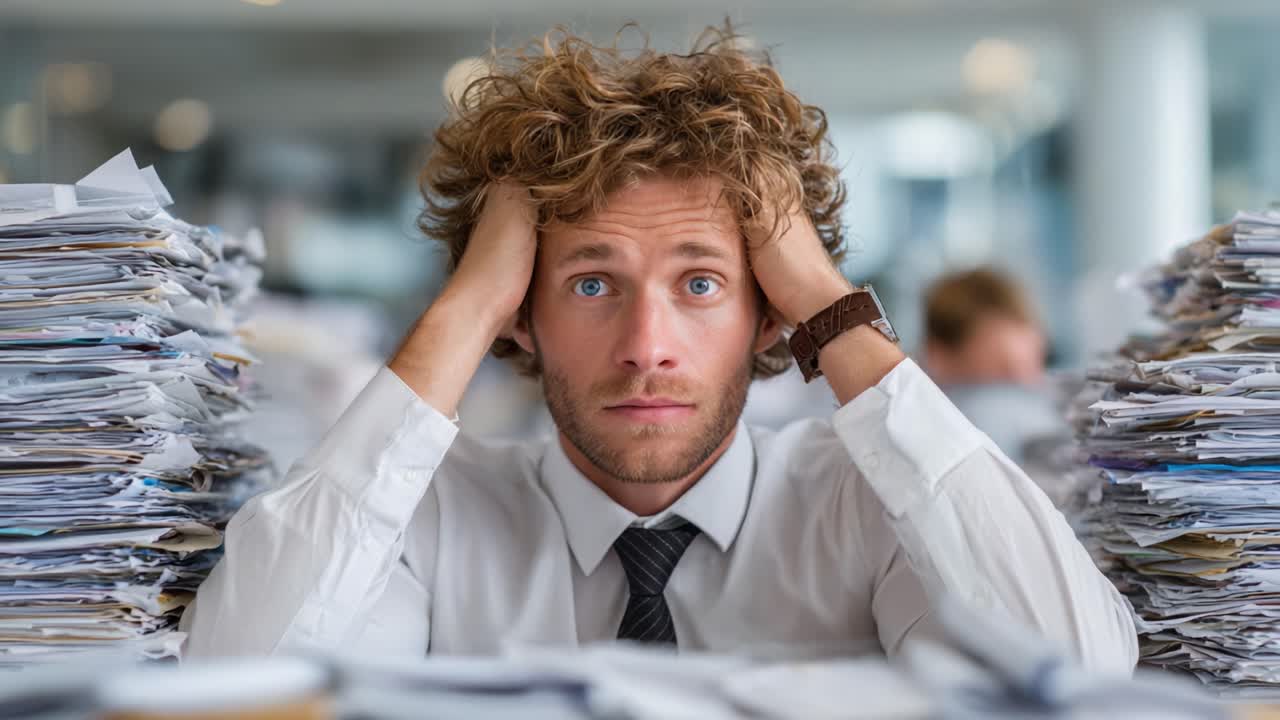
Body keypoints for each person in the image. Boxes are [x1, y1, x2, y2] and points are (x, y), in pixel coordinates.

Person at [181, 26, 1136, 670]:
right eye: (591, 284)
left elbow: (1076, 672)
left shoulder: (867, 507)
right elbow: (239, 676)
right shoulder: (430, 523)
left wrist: (828, 305)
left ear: (770, 315)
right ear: (521, 311)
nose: (648, 347)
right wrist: (462, 308)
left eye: (701, 284)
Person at [922, 269, 1066, 465]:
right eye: (1003, 369)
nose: (1025, 380)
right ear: (938, 356)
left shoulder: (1051, 400)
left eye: (1031, 364)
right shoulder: (985, 415)